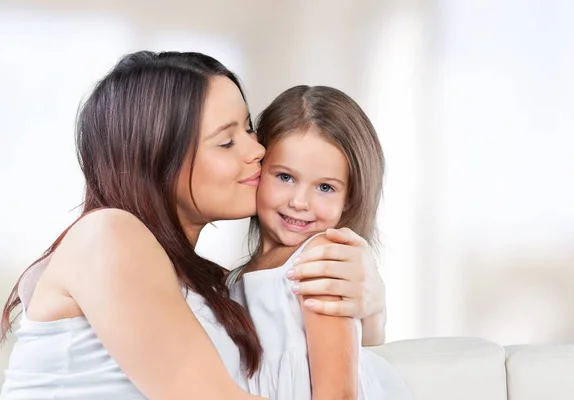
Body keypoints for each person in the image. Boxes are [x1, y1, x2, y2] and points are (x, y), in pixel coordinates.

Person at [0, 51, 387, 399]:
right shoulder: (108, 236)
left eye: (249, 128)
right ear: (158, 161)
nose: (258, 151)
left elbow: (323, 352)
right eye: (226, 142)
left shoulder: (215, 287)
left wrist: (371, 307)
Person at [227, 85, 412, 399]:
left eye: (325, 187)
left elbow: (338, 393)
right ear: (258, 171)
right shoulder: (237, 279)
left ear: (349, 200)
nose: (300, 202)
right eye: (285, 177)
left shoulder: (320, 263)